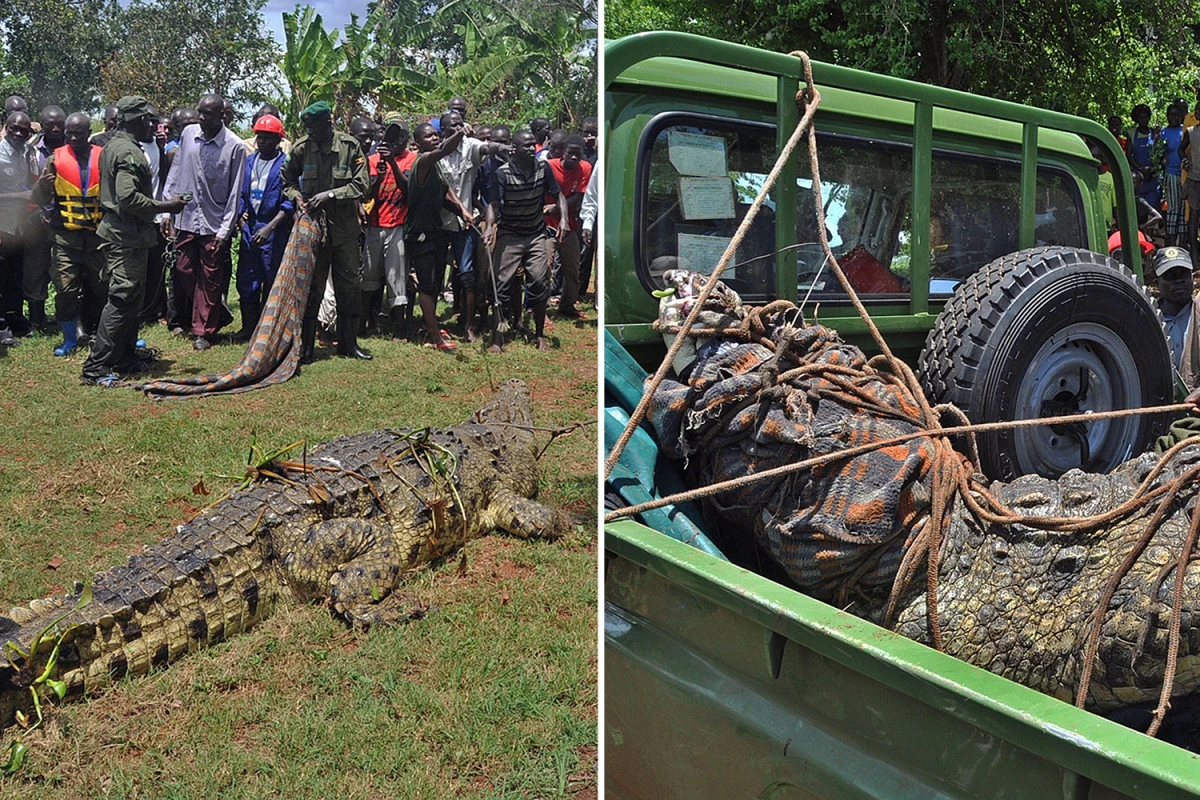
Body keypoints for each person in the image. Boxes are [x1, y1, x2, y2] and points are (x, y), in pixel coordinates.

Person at [81, 96, 186, 386]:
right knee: (123, 298)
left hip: (127, 235)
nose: (153, 125)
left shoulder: (113, 145)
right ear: (137, 120)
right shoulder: (128, 152)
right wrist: (167, 206)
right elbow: (127, 197)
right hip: (124, 236)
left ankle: (125, 356)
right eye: (148, 120)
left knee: (132, 299)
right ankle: (97, 366)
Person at [281, 100, 372, 362]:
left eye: (315, 127)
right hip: (314, 233)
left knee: (349, 287)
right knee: (312, 288)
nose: (311, 132)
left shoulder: (349, 146)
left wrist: (331, 194)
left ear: (328, 124)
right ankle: (307, 347)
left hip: (344, 231)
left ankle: (348, 344)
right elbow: (286, 180)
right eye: (307, 127)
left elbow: (361, 184)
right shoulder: (302, 148)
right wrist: (297, 197)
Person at [162, 93, 246, 351]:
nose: (201, 117)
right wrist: (166, 210)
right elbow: (176, 171)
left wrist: (224, 231)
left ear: (221, 116)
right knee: (184, 269)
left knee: (210, 278)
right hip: (186, 217)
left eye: (207, 114)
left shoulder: (235, 146)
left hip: (214, 222)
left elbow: (235, 192)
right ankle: (216, 313)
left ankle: (203, 332)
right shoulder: (189, 134)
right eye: (200, 112)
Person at [484, 129, 567, 353]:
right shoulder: (501, 173)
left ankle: (540, 336)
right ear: (515, 149)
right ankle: (497, 338)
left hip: (536, 234)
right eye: (526, 146)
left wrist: (562, 218)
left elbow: (558, 194)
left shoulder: (543, 168)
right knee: (499, 286)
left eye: (533, 145)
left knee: (539, 281)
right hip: (510, 235)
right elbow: (493, 204)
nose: (532, 149)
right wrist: (490, 227)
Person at [31, 112, 105, 356]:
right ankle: (69, 340)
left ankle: (102, 333)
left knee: (102, 287)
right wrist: (43, 186)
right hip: (65, 238)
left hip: (97, 238)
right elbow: (38, 199)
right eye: (69, 133)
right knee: (65, 289)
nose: (73, 137)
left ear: (88, 133)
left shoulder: (102, 158)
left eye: (79, 132)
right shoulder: (54, 159)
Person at [437, 110, 510, 341]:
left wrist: (503, 148)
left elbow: (487, 149)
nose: (459, 128)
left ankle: (469, 326)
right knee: (436, 275)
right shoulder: (435, 151)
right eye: (453, 126)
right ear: (444, 130)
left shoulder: (470, 146)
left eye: (461, 124)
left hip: (463, 225)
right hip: (438, 223)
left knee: (467, 275)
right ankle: (434, 326)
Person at [405, 121, 471, 351]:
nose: (434, 138)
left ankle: (429, 324)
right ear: (416, 143)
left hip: (436, 230)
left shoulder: (436, 166)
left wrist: (462, 210)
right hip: (421, 232)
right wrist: (460, 133)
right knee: (427, 284)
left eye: (436, 135)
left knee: (435, 284)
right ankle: (435, 338)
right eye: (428, 136)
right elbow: (444, 149)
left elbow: (446, 192)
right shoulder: (423, 161)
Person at [232, 113, 292, 341]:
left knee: (271, 280)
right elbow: (240, 193)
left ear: (278, 140)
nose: (263, 142)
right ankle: (248, 327)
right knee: (247, 279)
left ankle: (267, 331)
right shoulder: (248, 162)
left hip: (274, 229)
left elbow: (289, 202)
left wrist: (270, 228)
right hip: (250, 227)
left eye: (268, 138)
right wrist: (240, 218)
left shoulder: (286, 164)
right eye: (260, 137)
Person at [364, 113, 416, 340]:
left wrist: (393, 163)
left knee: (397, 278)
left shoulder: (411, 159)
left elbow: (407, 189)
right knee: (369, 275)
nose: (396, 143)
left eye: (400, 138)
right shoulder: (373, 160)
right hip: (374, 224)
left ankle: (400, 329)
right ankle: (364, 323)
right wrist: (380, 173)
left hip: (397, 224)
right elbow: (367, 195)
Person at [23, 104, 66, 332]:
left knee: (65, 271)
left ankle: (67, 317)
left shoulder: (74, 148)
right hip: (37, 219)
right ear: (42, 124)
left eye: (60, 123)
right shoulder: (30, 150)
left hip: (67, 220)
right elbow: (25, 184)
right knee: (35, 269)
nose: (56, 128)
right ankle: (36, 321)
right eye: (51, 124)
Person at [546, 134, 592, 319]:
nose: (574, 157)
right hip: (547, 225)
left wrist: (556, 208)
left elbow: (579, 198)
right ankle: (538, 307)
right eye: (570, 153)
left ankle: (567, 305)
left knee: (573, 268)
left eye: (578, 154)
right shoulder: (550, 167)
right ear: (562, 152)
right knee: (544, 268)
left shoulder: (585, 168)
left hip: (570, 225)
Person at [0, 111, 36, 343]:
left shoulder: (25, 152)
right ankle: (1, 327)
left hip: (19, 226)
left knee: (15, 276)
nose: (18, 133)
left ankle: (15, 319)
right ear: (6, 126)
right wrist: (21, 196)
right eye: (14, 128)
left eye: (24, 130)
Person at [1154, 246, 1200, 388]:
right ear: (1157, 284)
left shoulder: (1198, 313)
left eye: (1183, 274)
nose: (1178, 281)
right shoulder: (1150, 321)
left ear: (1192, 278)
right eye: (1170, 276)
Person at [1126, 103, 1160, 209]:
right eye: (1140, 118)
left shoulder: (1154, 133)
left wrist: (1151, 168)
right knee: (1139, 207)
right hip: (1138, 177)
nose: (1143, 120)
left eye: (1145, 117)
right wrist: (1140, 168)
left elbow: (1159, 153)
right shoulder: (1131, 133)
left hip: (1153, 177)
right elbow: (1129, 154)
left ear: (1149, 117)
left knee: (1153, 204)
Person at [1162, 103, 1187, 246]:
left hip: (1184, 173)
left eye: (1176, 115)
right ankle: (1171, 240)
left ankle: (1182, 242)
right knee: (1173, 207)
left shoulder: (1184, 130)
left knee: (1184, 207)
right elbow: (1159, 155)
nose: (1174, 118)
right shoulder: (1164, 133)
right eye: (1171, 115)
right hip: (1171, 173)